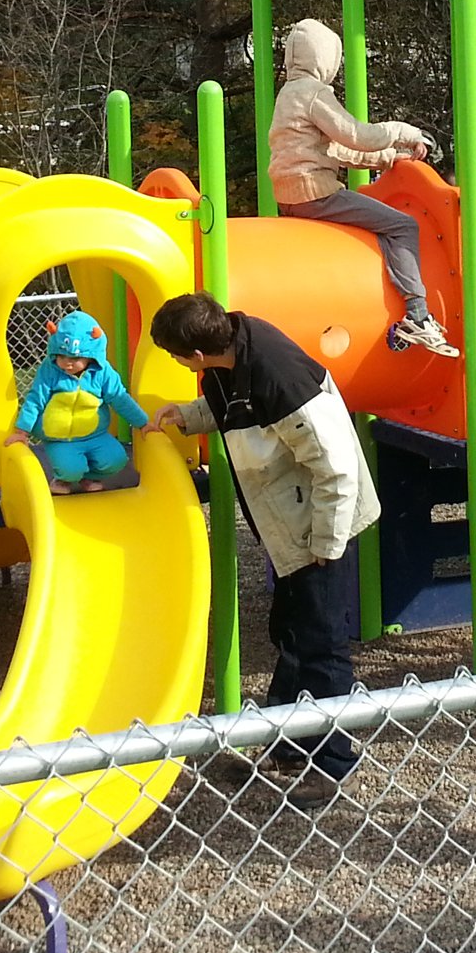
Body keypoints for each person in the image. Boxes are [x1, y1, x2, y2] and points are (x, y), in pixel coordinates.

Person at [149, 291, 379, 807]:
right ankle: (291, 746)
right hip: (293, 522)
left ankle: (335, 763)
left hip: (320, 526)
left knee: (321, 645)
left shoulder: (279, 377)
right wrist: (188, 415)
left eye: (175, 356)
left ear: (199, 354)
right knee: (290, 632)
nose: (178, 365)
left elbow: (336, 467)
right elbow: (234, 411)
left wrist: (327, 543)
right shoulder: (232, 353)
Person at [268, 17, 456, 357]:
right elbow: (357, 135)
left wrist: (389, 158)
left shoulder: (287, 95)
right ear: (326, 58)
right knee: (402, 225)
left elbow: (335, 150)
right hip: (317, 193)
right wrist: (407, 132)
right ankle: (418, 314)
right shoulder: (314, 93)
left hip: (290, 195)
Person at [6, 310, 148, 493]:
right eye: (62, 356)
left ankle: (90, 478)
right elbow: (35, 399)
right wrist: (22, 432)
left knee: (115, 459)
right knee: (71, 469)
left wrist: (143, 423)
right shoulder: (50, 371)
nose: (67, 363)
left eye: (75, 358)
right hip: (59, 437)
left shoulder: (103, 373)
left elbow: (120, 399)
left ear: (91, 356)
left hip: (94, 434)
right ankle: (63, 480)